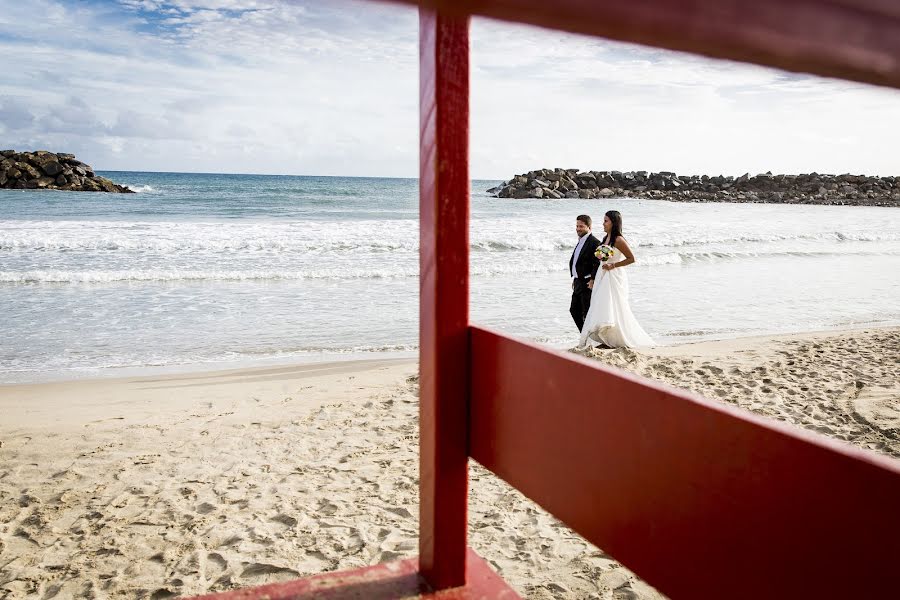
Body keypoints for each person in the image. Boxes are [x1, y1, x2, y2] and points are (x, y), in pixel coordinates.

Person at [579, 210, 655, 348]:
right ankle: (606, 337)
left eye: (606, 221)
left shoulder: (619, 240)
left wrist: (613, 265)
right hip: (603, 276)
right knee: (601, 304)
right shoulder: (604, 238)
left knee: (615, 306)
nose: (603, 223)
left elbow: (631, 259)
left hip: (614, 276)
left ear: (613, 223)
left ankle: (616, 338)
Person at [569, 214, 601, 331]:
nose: (578, 228)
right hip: (578, 281)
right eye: (577, 226)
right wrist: (575, 277)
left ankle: (588, 338)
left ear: (589, 227)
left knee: (586, 312)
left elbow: (597, 263)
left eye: (581, 226)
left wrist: (592, 279)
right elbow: (578, 261)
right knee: (574, 310)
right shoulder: (581, 240)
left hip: (587, 282)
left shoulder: (594, 242)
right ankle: (584, 335)